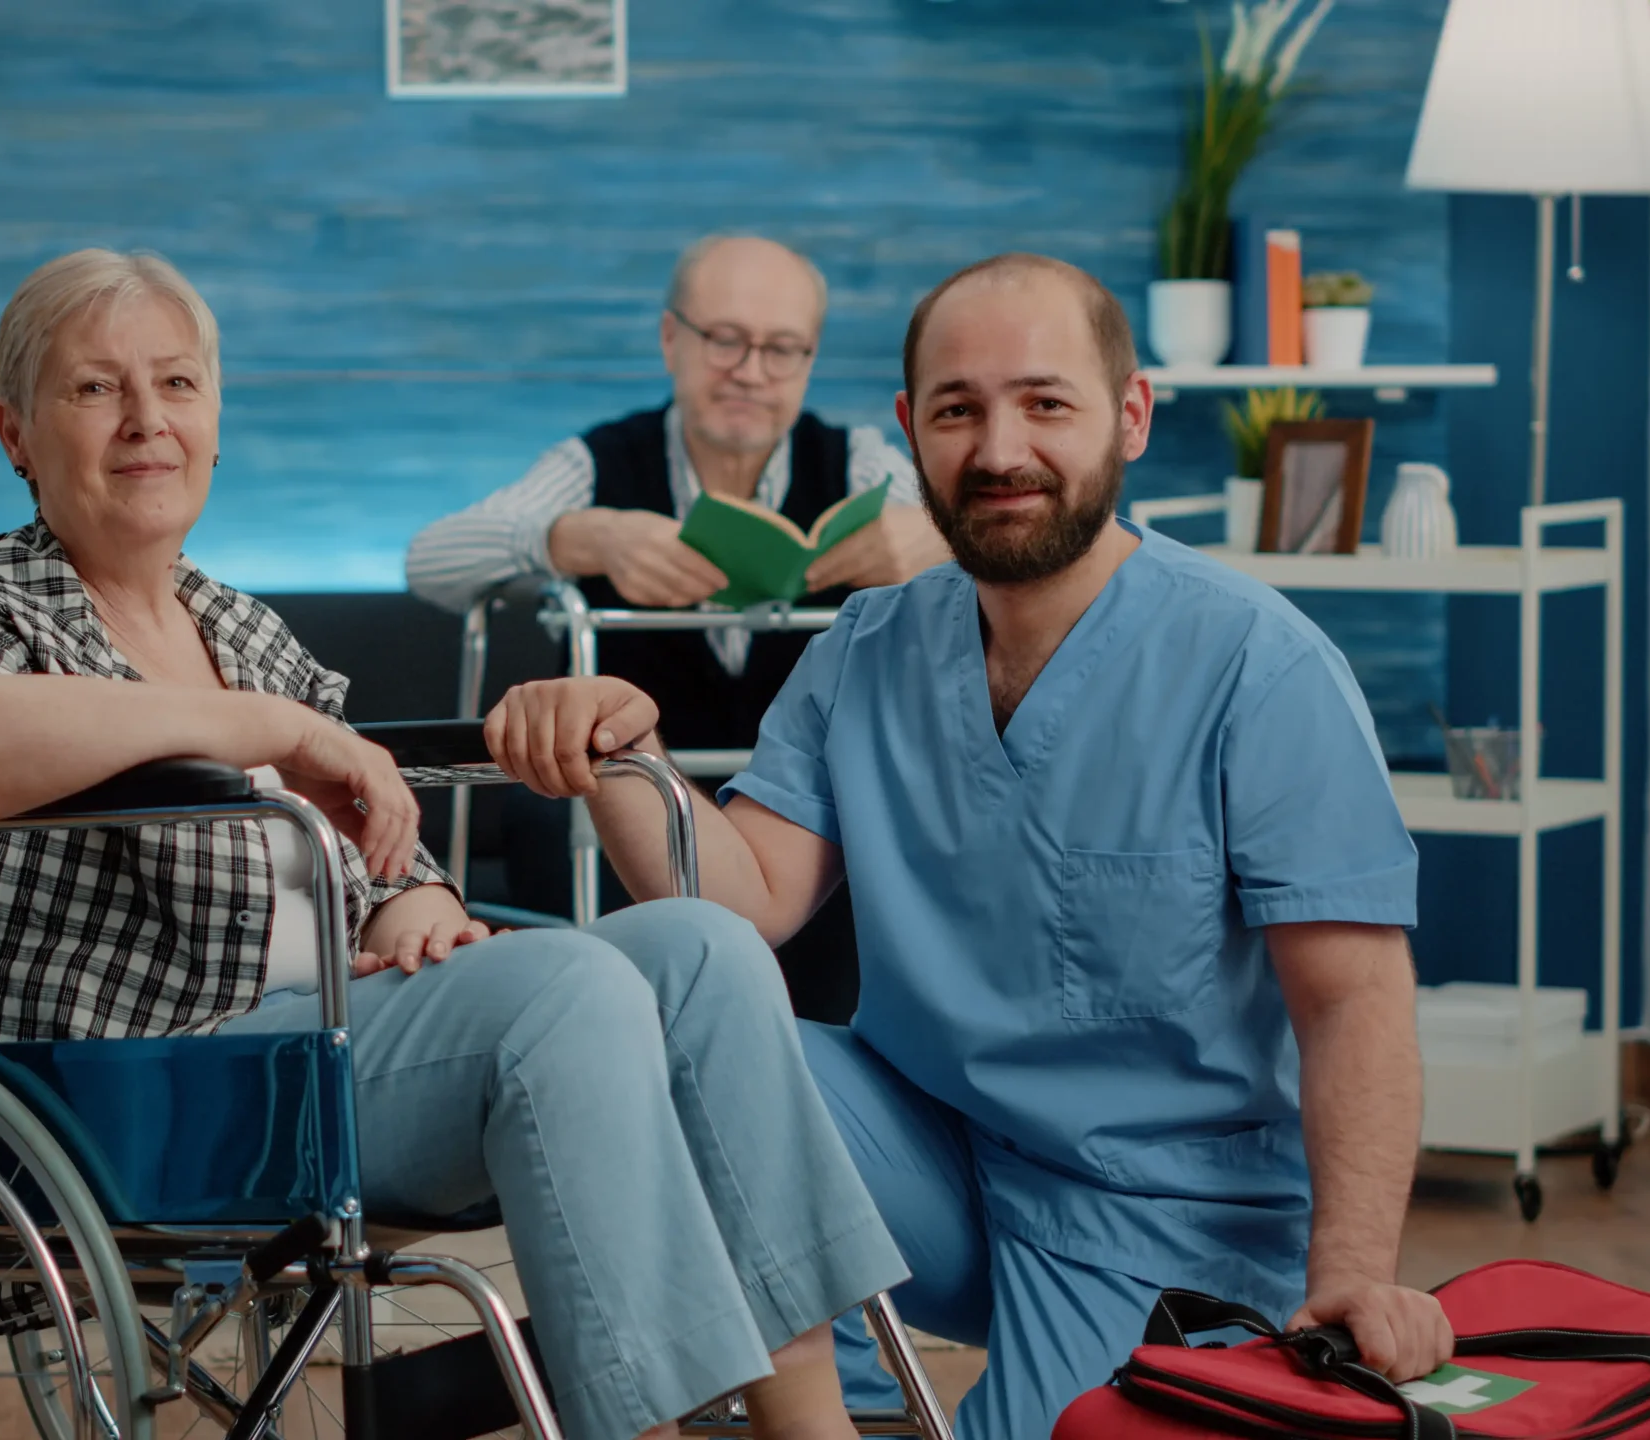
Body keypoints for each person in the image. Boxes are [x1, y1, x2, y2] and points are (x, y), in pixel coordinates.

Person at [0, 248, 910, 1440]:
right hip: (120, 1089)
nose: (147, 422)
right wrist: (264, 727)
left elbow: (380, 840)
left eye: (178, 385)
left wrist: (411, 896)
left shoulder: (237, 626)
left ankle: (808, 1427)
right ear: (15, 432)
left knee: (704, 950)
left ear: (213, 419)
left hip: (308, 1060)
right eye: (97, 390)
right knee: (563, 987)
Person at [479, 253, 1457, 1439]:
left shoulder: (1259, 664)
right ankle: (819, 1412)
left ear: (1130, 417)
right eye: (958, 410)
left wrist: (1354, 1267)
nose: (1000, 450)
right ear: (911, 431)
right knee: (681, 978)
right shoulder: (867, 647)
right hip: (925, 1165)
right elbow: (739, 906)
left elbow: (1353, 999)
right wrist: (622, 751)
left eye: (1046, 403)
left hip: (1163, 1217)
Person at [404, 234, 948, 1022]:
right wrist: (578, 537)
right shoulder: (597, 463)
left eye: (783, 349)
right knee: (536, 812)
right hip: (622, 809)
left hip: (806, 827)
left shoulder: (858, 463)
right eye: (725, 339)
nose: (752, 371)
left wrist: (934, 537)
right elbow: (431, 559)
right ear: (671, 338)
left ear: (809, 360)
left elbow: (1002, 556)